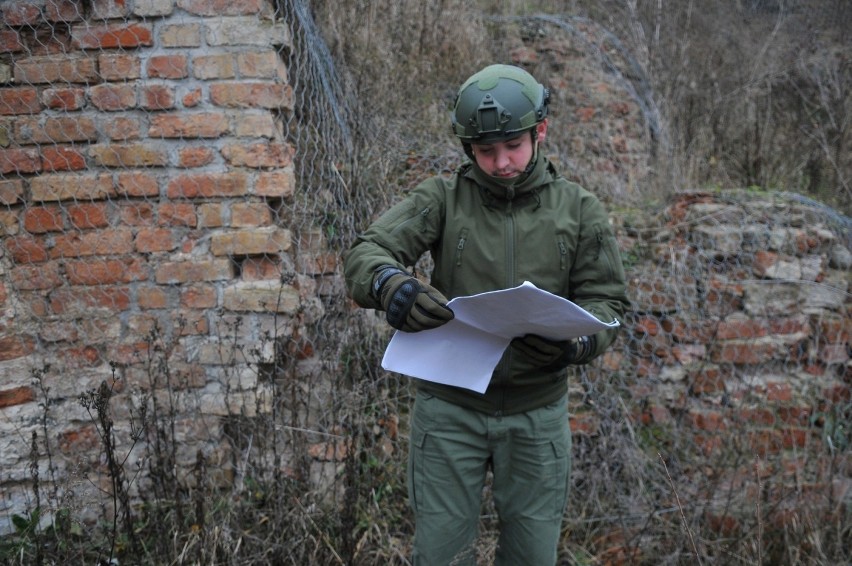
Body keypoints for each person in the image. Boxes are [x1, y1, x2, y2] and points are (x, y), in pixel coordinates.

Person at [343, 64, 629, 566]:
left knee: (532, 555)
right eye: (485, 151)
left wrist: (576, 345)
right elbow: (368, 252)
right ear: (467, 149)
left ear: (540, 131)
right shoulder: (442, 198)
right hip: (450, 411)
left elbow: (608, 303)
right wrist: (394, 288)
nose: (501, 163)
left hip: (538, 414)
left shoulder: (579, 211)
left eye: (513, 146)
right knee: (440, 554)